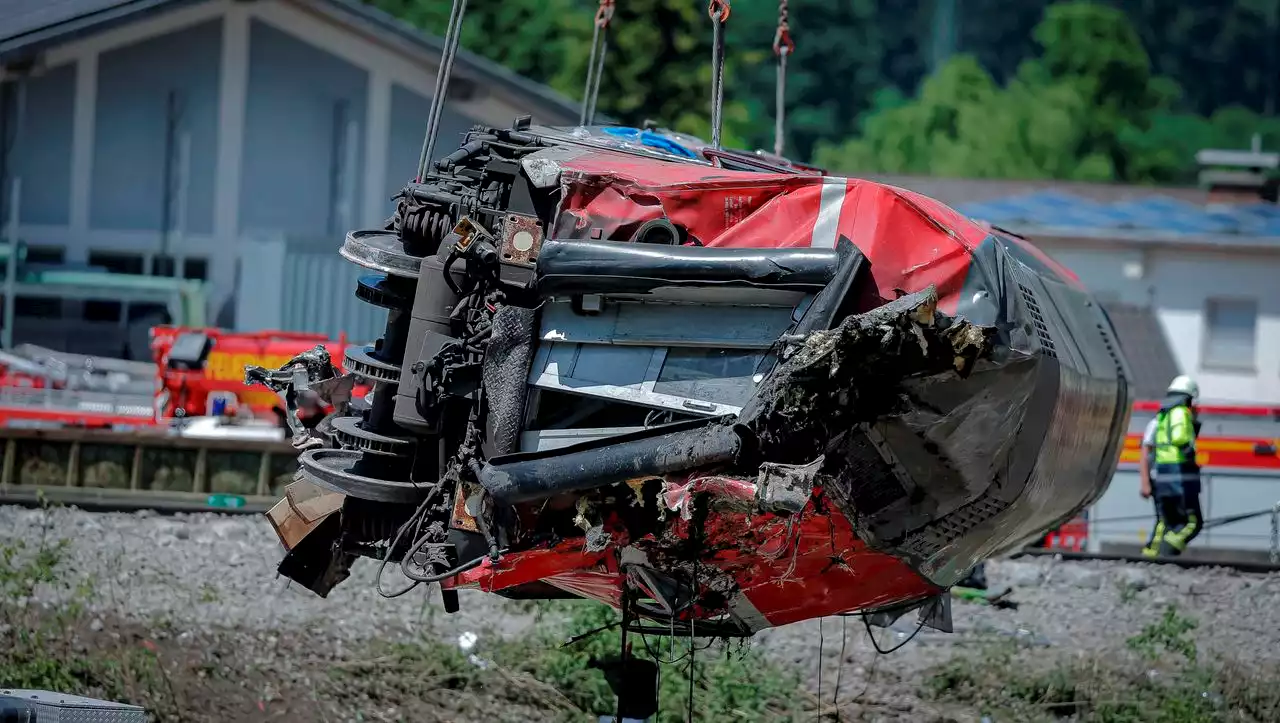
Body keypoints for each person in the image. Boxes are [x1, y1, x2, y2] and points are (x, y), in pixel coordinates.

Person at [1140, 375, 1203, 558]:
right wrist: (1145, 481)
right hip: (1178, 478)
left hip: (1161, 478)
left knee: (1164, 522)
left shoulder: (1161, 419)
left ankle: (1151, 556)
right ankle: (1166, 553)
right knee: (1190, 522)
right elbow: (1148, 451)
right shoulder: (1178, 418)